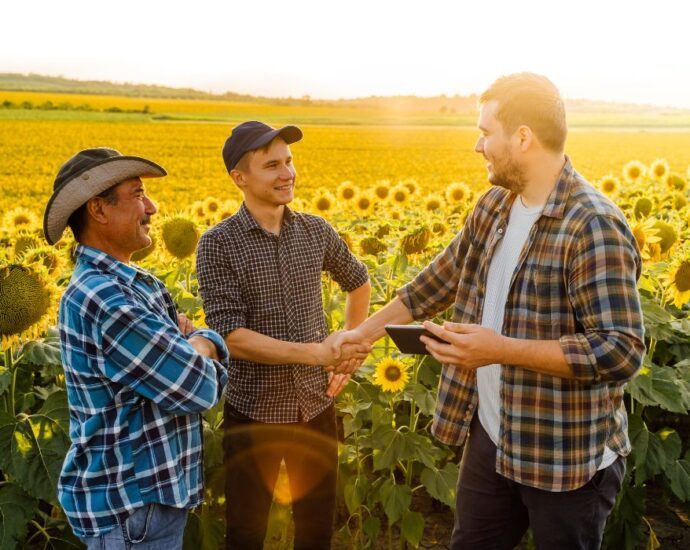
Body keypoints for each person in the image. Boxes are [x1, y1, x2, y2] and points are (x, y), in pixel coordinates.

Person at [332, 73, 645, 549]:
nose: (478, 146)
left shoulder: (591, 225)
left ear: (522, 138)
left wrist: (500, 350)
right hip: (493, 438)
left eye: (485, 132)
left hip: (564, 455)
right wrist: (365, 335)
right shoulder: (496, 205)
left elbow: (619, 351)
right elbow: (441, 278)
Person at [195, 121, 371, 549]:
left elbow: (359, 282)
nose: (287, 173)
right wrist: (315, 354)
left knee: (316, 531)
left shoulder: (315, 231)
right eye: (272, 165)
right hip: (254, 413)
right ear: (240, 177)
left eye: (289, 162)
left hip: (315, 408)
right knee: (246, 532)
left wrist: (347, 350)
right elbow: (230, 336)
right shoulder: (218, 244)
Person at [44, 148, 229, 549]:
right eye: (138, 194)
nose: (153, 207)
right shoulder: (105, 299)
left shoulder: (133, 283)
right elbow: (197, 387)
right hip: (131, 511)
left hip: (148, 505)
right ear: (98, 209)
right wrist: (202, 340)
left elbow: (186, 363)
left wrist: (191, 344)